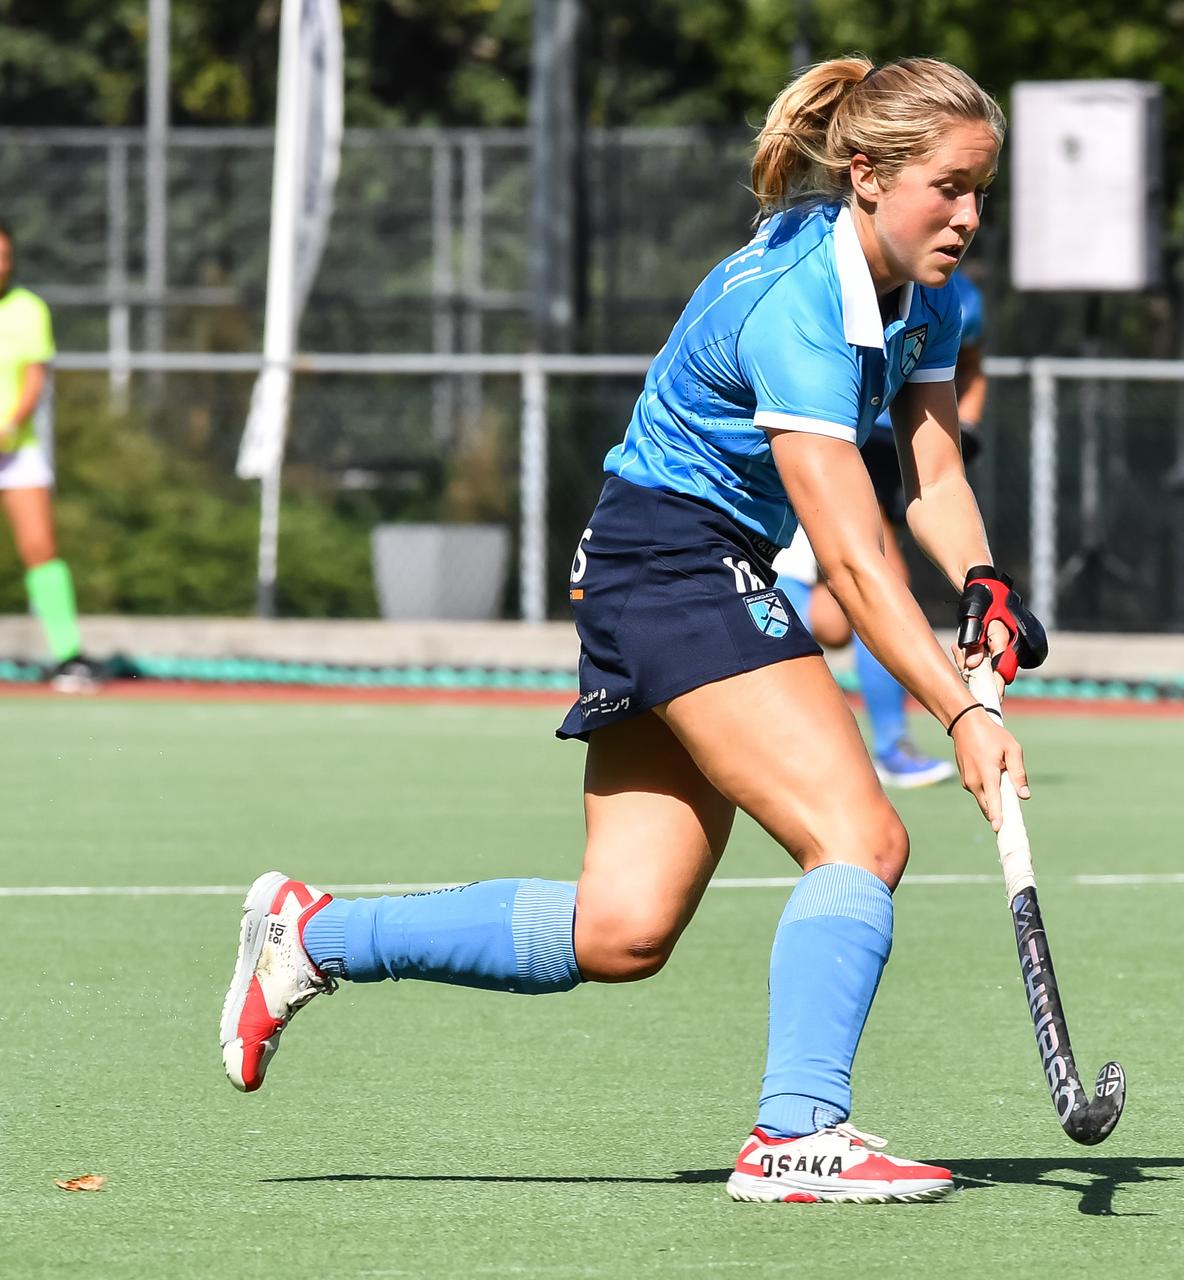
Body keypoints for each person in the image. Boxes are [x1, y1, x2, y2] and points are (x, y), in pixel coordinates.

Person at [218, 56, 1048, 1206]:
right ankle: (797, 1131)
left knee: (621, 926)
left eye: (981, 193)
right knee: (863, 836)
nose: (967, 216)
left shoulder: (932, 287)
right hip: (671, 561)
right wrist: (959, 709)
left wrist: (983, 580)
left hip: (669, 567)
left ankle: (314, 934)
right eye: (949, 187)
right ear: (867, 173)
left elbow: (932, 457)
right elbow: (853, 558)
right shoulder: (798, 302)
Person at [773, 268, 988, 788]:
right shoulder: (822, 275)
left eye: (974, 195)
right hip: (845, 439)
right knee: (884, 579)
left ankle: (763, 603)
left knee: (833, 620)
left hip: (900, 450)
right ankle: (892, 745)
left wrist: (968, 427)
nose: (964, 217)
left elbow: (972, 366)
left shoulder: (954, 297)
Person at [0, 220, 101, 693]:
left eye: (4, 257)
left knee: (40, 548)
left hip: (15, 454)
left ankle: (69, 658)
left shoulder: (27, 310)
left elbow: (34, 379)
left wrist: (10, 424)